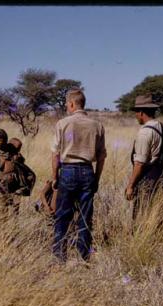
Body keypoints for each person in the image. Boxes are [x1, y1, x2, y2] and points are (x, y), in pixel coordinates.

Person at [51, 89, 107, 262]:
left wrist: (55, 177)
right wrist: (96, 179)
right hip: (87, 170)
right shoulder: (97, 126)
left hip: (67, 171)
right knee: (85, 215)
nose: (67, 107)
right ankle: (83, 255)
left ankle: (60, 256)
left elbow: (55, 155)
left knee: (62, 215)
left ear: (73, 104)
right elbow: (101, 156)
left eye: (68, 104)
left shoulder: (62, 124)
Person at [125, 94, 163, 229]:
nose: (135, 116)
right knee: (160, 213)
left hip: (148, 177)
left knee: (142, 215)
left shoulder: (145, 132)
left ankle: (143, 242)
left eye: (136, 112)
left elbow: (139, 163)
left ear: (141, 113)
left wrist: (130, 185)